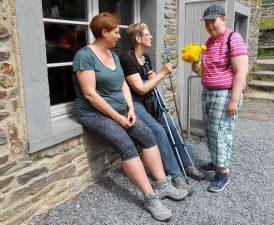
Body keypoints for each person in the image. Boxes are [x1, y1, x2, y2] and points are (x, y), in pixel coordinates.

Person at [72, 13, 188, 222]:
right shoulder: (84, 56)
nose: (119, 36)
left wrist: (130, 109)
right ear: (104, 32)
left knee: (148, 136)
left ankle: (163, 185)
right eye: (116, 32)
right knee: (125, 144)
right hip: (94, 114)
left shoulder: (113, 55)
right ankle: (150, 197)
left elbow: (123, 84)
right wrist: (118, 117)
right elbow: (90, 94)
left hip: (122, 111)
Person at [119, 23, 205, 196]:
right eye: (147, 34)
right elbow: (140, 89)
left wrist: (152, 77)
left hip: (149, 100)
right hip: (134, 102)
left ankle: (187, 165)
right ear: (138, 38)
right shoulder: (127, 58)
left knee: (171, 126)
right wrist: (162, 74)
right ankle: (175, 174)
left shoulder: (147, 58)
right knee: (158, 130)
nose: (151, 37)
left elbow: (148, 84)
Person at [192, 5, 248, 192]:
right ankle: (216, 161)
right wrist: (197, 67)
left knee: (220, 131)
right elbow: (207, 70)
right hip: (209, 91)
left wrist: (234, 100)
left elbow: (241, 72)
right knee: (209, 130)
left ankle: (222, 172)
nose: (209, 25)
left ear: (223, 19)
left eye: (213, 21)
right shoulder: (209, 42)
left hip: (225, 93)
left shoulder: (234, 38)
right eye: (206, 22)